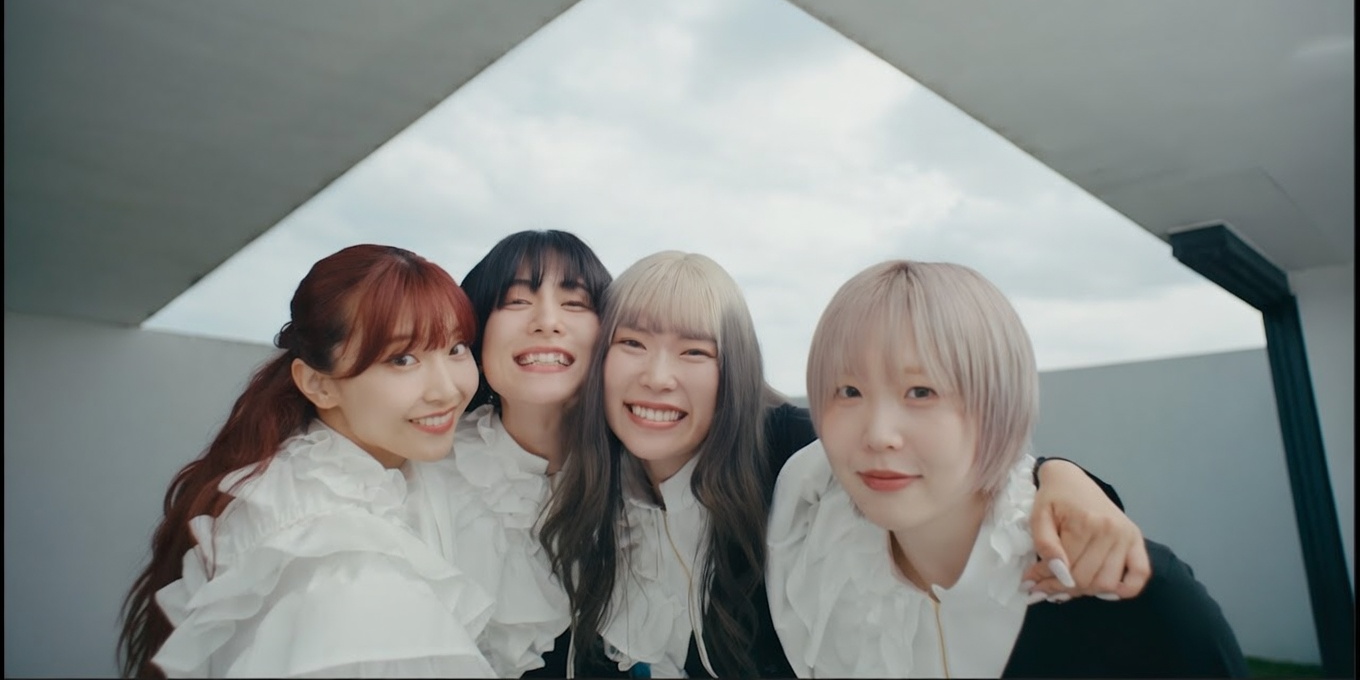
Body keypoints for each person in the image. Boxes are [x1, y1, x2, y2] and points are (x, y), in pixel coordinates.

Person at [541, 251, 1152, 679]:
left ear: (736, 370)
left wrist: (1066, 478)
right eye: (631, 344)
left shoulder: (786, 452)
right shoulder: (588, 487)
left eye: (695, 352)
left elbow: (954, 470)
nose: (657, 377)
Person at [766, 260, 1248, 677]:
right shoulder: (815, 559)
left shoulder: (1139, 598)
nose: (878, 434)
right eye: (849, 391)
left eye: (921, 392)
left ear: (999, 403)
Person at [117, 244, 496, 678]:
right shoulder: (333, 556)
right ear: (318, 384)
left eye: (456, 348)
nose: (447, 389)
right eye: (402, 359)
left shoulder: (377, 474)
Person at [425, 230, 611, 677]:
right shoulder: (423, 479)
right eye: (515, 301)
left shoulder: (647, 478)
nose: (547, 321)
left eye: (574, 303)